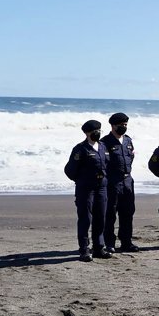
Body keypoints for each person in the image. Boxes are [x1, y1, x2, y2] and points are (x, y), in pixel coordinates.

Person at [64, 119, 110, 262]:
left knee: (100, 218)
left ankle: (99, 248)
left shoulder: (103, 146)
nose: (97, 133)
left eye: (99, 130)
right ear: (86, 133)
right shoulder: (80, 149)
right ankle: (84, 250)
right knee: (85, 219)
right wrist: (82, 181)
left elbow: (107, 164)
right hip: (86, 189)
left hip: (101, 187)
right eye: (94, 131)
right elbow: (70, 170)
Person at [101, 112, 139, 254]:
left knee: (128, 213)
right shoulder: (105, 142)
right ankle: (109, 243)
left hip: (127, 181)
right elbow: (102, 163)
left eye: (125, 125)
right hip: (112, 182)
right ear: (112, 126)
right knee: (110, 214)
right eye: (121, 125)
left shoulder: (128, 141)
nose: (123, 127)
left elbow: (131, 158)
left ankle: (126, 242)